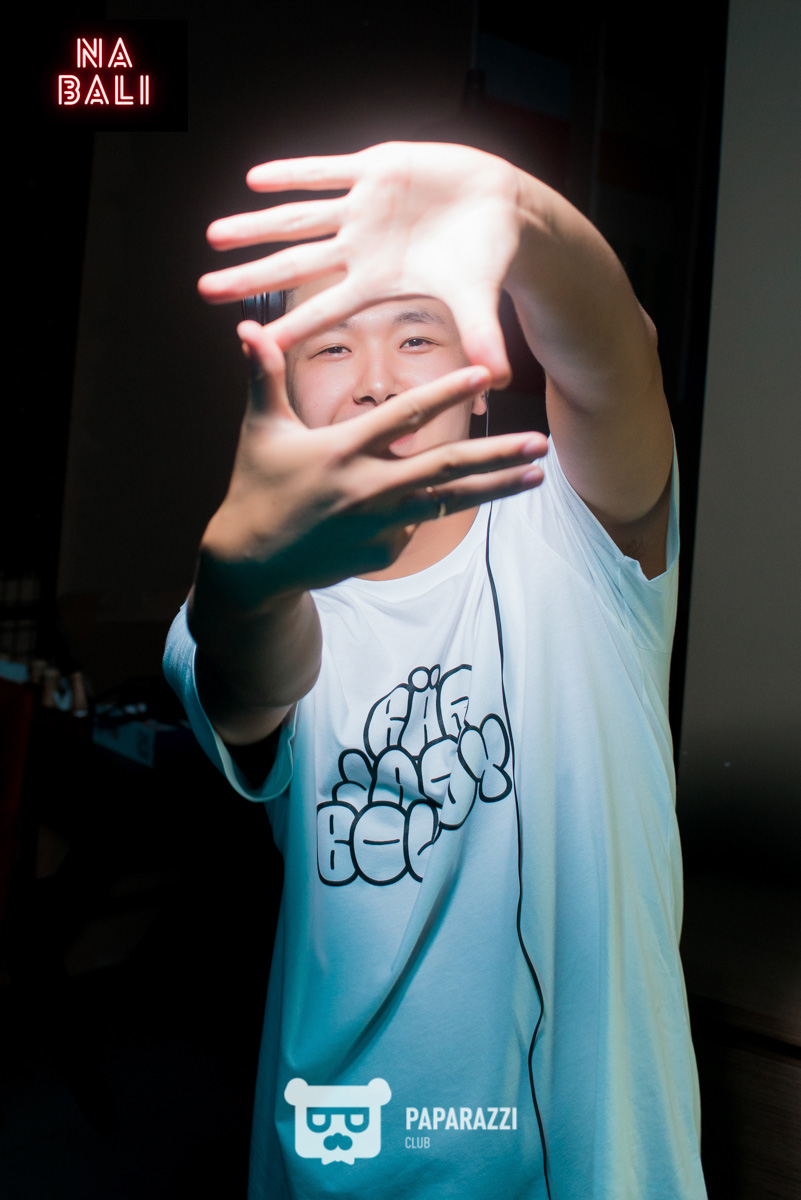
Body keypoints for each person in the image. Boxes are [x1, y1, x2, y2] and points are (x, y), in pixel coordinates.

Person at [164, 142, 706, 1199]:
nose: (375, 381)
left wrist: (519, 212)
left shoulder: (578, 537)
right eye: (330, 345)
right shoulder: (245, 596)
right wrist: (243, 584)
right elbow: (259, 670)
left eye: (415, 334)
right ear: (282, 392)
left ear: (483, 376)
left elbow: (618, 358)